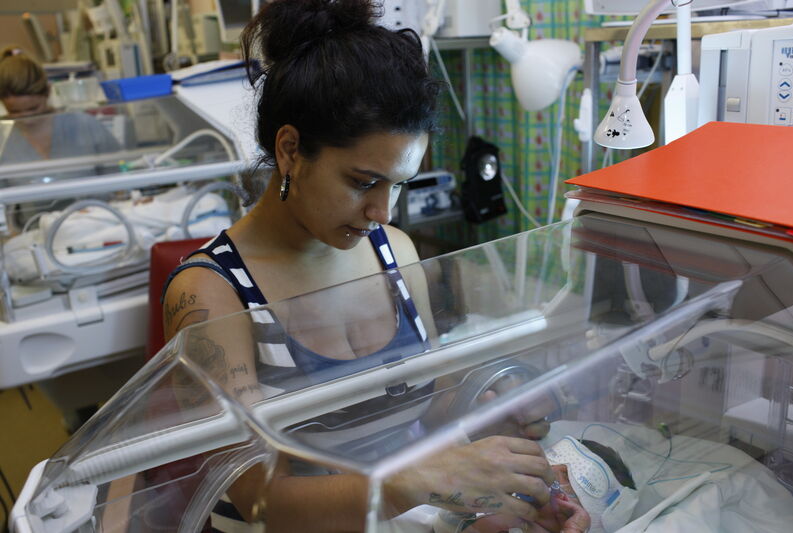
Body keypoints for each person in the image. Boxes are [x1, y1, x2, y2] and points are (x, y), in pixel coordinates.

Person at [161, 1, 587, 532]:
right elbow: (258, 500)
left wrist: (492, 424)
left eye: (398, 185)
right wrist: (419, 480)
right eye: (363, 182)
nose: (382, 212)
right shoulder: (213, 293)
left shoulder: (395, 254)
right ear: (290, 150)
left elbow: (426, 403)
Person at [0, 46, 119, 164]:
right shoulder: (4, 139)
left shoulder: (84, 126)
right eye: (15, 112)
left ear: (48, 91)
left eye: (33, 109)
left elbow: (120, 169)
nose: (27, 120)